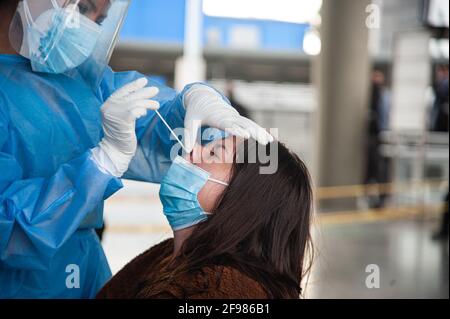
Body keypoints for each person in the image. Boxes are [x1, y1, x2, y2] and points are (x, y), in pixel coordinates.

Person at [0, 0, 273, 298]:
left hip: (86, 272)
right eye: (82, 8)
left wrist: (192, 104)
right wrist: (100, 164)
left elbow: (161, 131)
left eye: (99, 20)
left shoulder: (81, 82)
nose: (191, 156)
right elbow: (7, 232)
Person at [97, 137, 314, 299]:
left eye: (213, 153)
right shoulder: (168, 256)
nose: (193, 150)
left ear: (244, 199)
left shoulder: (224, 293)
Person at [364, 70, 391, 209]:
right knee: (376, 170)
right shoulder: (381, 95)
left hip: (379, 138)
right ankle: (378, 198)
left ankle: (379, 199)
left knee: (376, 170)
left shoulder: (380, 95)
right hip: (379, 138)